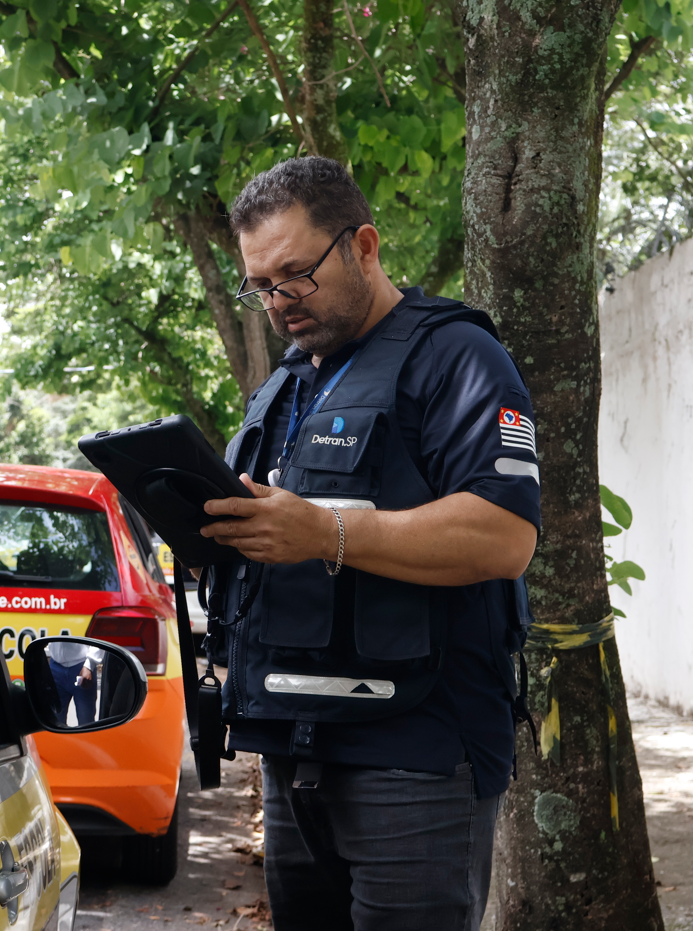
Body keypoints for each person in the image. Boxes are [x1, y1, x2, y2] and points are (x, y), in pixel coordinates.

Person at [198, 156, 541, 931]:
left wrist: (325, 531)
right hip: (293, 748)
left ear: (363, 246)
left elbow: (504, 534)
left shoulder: (457, 357)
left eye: (296, 274)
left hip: (416, 755)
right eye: (261, 285)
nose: (279, 301)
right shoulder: (283, 388)